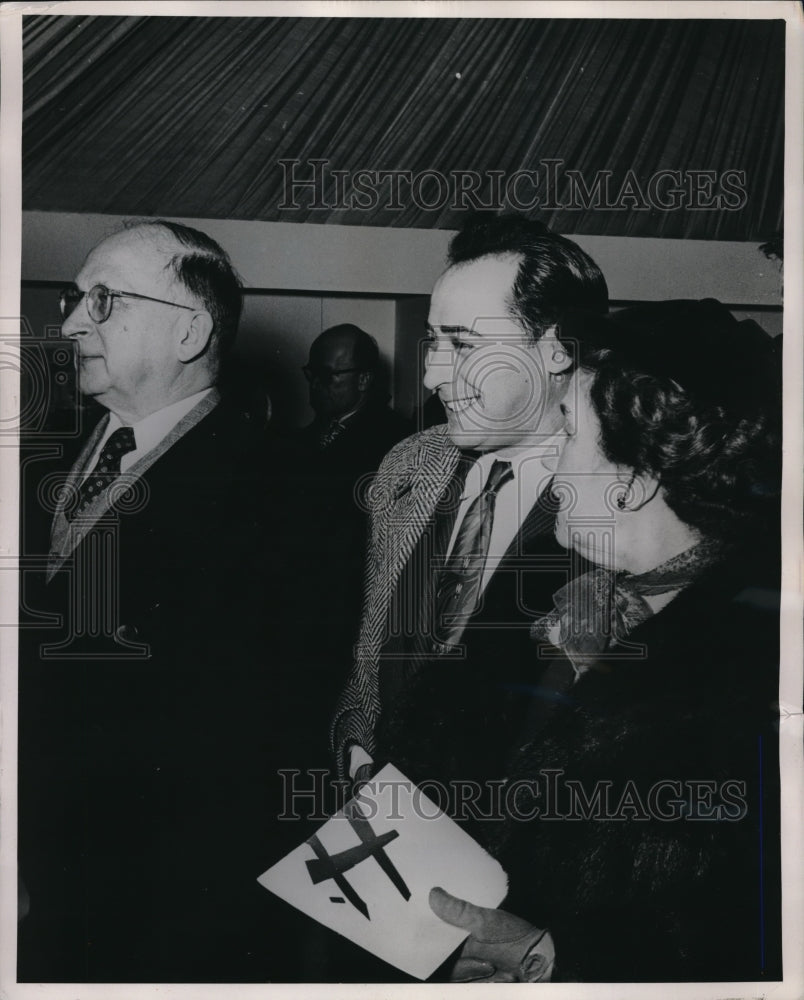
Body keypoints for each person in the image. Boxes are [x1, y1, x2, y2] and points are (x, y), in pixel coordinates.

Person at [429, 300, 782, 982]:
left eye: (568, 432)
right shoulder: (538, 578)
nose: (552, 465)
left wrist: (555, 958)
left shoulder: (760, 672)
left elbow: (750, 938)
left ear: (636, 480)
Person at [17, 221, 281, 982]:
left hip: (131, 900)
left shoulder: (273, 491)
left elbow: (233, 745)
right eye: (74, 299)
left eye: (104, 300)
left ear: (189, 332)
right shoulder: (42, 450)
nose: (72, 323)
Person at [330, 214, 609, 805]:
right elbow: (372, 651)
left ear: (556, 350)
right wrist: (356, 747)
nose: (433, 374)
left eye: (463, 345)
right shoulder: (408, 464)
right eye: (434, 341)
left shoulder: (629, 499)